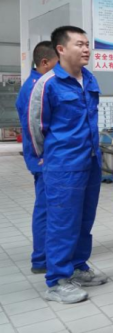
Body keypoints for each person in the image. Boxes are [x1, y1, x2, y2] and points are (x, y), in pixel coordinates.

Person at [29, 26, 108, 304]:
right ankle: (57, 281)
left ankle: (77, 267)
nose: (86, 49)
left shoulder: (89, 78)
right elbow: (36, 127)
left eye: (87, 44)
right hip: (63, 165)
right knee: (62, 223)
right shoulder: (48, 83)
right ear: (61, 49)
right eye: (79, 44)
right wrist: (49, 156)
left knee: (84, 219)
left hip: (91, 160)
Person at [16, 41, 58, 275]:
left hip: (45, 158)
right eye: (58, 63)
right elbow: (33, 128)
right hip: (44, 160)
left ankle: (47, 254)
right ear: (45, 63)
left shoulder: (38, 84)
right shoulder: (36, 87)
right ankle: (40, 258)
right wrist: (42, 156)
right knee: (45, 208)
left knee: (49, 207)